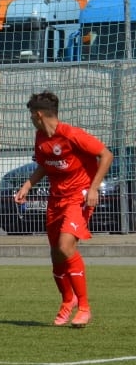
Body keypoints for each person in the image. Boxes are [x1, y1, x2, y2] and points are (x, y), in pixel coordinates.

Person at [14, 91, 112, 328]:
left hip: (78, 198)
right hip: (55, 200)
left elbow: (106, 155)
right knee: (56, 255)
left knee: (65, 246)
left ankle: (84, 308)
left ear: (38, 115)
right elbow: (44, 165)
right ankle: (68, 300)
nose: (30, 119)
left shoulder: (72, 135)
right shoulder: (41, 138)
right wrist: (27, 185)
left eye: (31, 114)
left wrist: (93, 188)